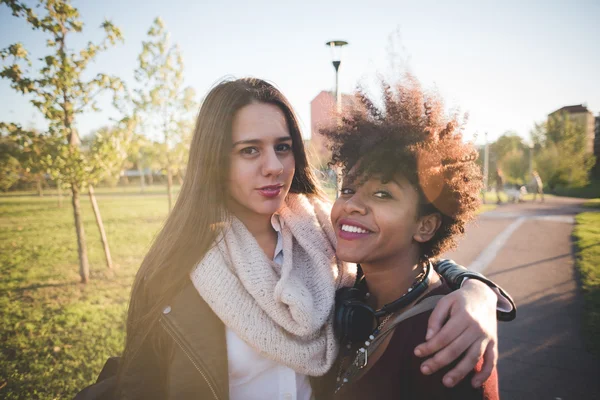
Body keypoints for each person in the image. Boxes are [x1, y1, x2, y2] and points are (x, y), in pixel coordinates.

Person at [74, 78, 514, 400]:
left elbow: (409, 263)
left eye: (283, 147)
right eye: (250, 150)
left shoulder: (324, 234)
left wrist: (477, 291)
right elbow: (140, 381)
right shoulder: (178, 267)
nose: (274, 166)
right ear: (214, 161)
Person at [321, 76, 500, 399]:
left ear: (425, 226)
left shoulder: (451, 336)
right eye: (347, 189)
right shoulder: (349, 296)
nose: (351, 205)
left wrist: (480, 294)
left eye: (382, 194)